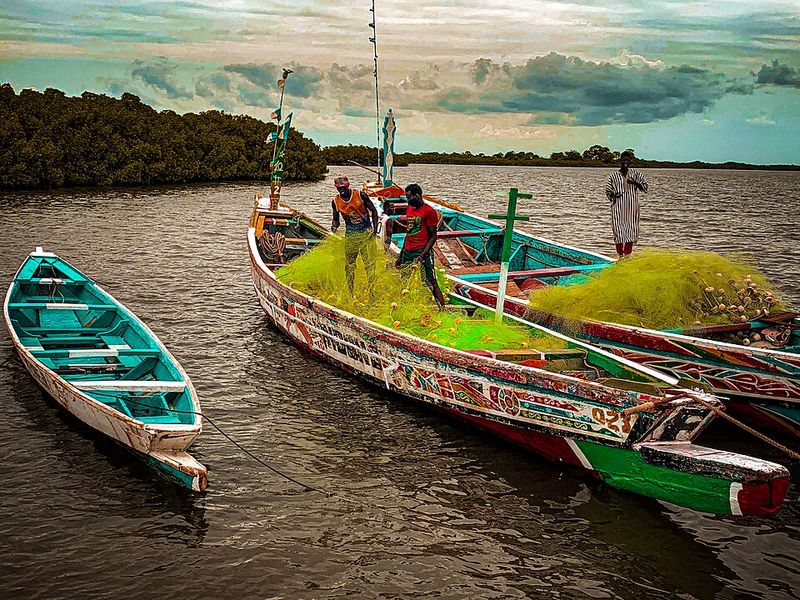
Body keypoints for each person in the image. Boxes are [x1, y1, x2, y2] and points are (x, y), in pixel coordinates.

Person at [394, 184, 446, 309]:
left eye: (409, 197)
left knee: (429, 282)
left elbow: (433, 236)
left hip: (422, 251)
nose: (407, 200)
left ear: (417, 196)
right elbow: (409, 232)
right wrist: (401, 255)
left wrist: (423, 254)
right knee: (405, 279)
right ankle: (403, 305)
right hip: (408, 250)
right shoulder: (410, 209)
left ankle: (442, 309)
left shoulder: (429, 211)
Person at [331, 174, 380, 291]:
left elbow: (373, 210)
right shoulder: (335, 201)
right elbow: (336, 220)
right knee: (349, 265)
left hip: (366, 234)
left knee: (369, 265)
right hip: (351, 237)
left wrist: (374, 229)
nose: (341, 190)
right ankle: (350, 292)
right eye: (339, 188)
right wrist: (333, 227)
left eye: (343, 187)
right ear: (336, 188)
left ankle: (371, 292)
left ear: (348, 185)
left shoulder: (360, 195)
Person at [605, 150, 648, 258]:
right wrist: (614, 195)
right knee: (618, 231)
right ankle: (620, 255)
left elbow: (645, 188)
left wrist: (634, 182)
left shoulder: (636, 174)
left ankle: (627, 256)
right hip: (618, 207)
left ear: (631, 161)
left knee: (631, 230)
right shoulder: (613, 176)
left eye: (628, 160)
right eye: (624, 160)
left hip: (632, 207)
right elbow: (608, 191)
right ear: (620, 160)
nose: (626, 162)